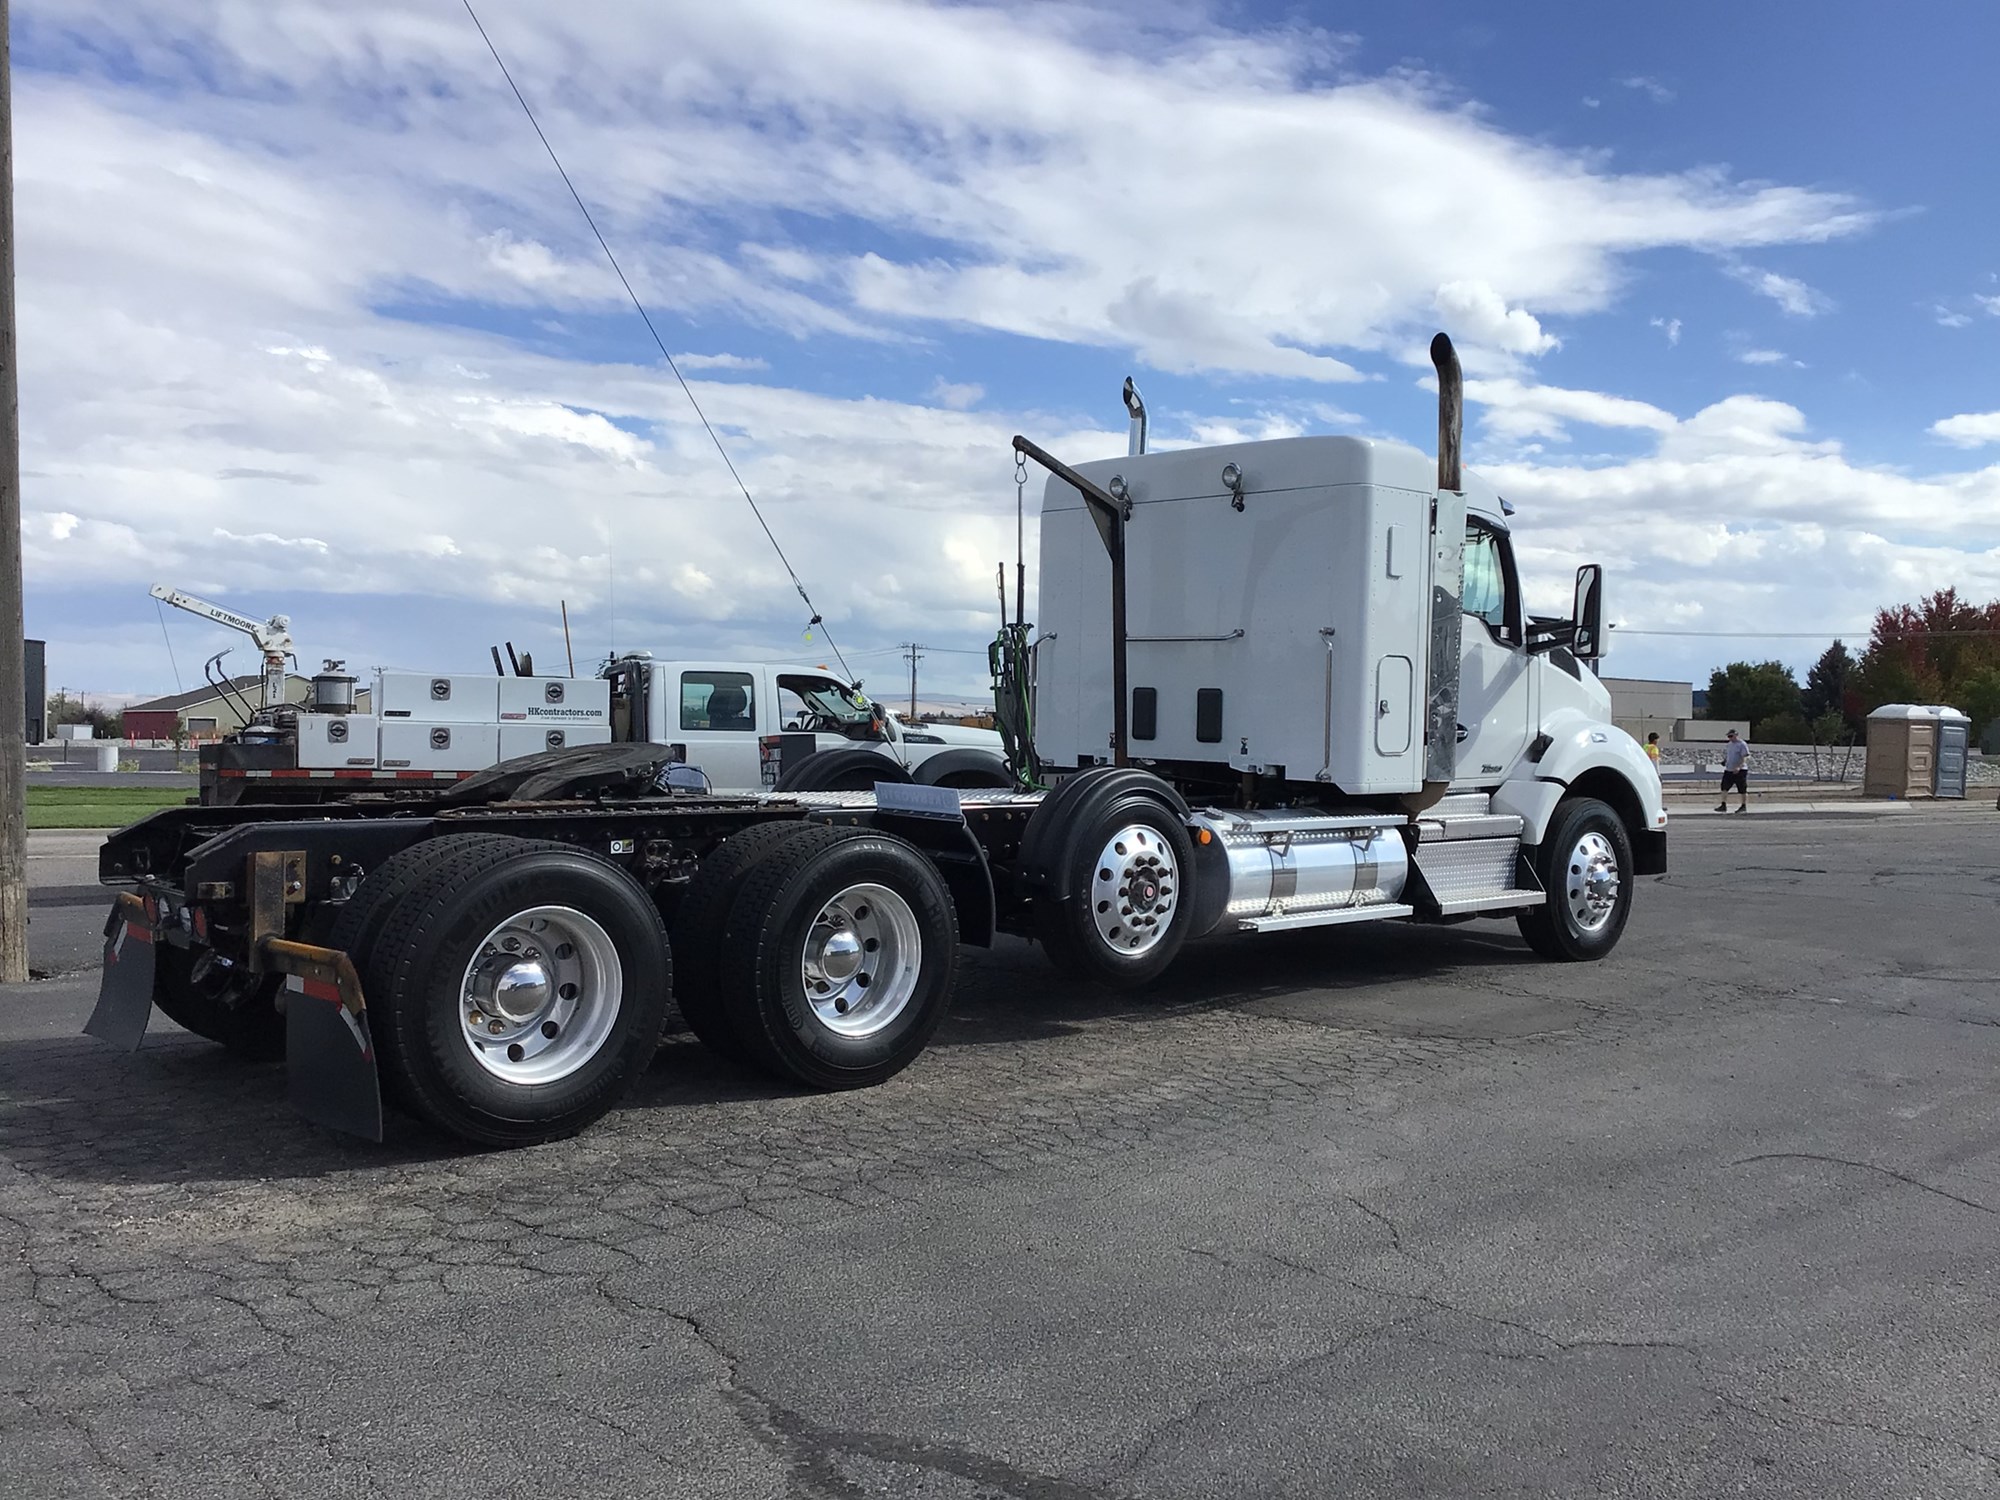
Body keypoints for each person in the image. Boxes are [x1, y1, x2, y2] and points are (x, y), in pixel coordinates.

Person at [1717, 729, 1749, 814]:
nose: (1730, 738)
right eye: (1728, 736)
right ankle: (1723, 805)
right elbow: (1729, 755)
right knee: (1724, 787)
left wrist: (1739, 767)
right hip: (1729, 769)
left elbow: (1745, 757)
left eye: (1731, 736)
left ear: (1736, 735)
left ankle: (1743, 806)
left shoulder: (1742, 744)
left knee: (1742, 788)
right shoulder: (1729, 745)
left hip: (1740, 770)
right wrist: (1725, 761)